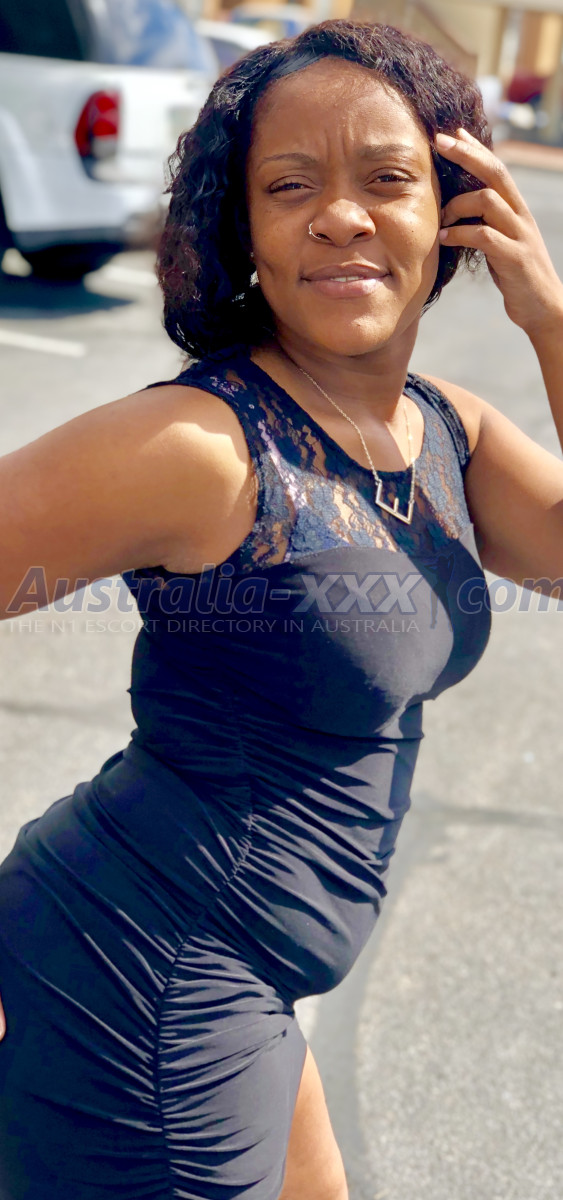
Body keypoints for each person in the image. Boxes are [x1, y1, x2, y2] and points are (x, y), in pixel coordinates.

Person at [1, 17, 563, 1200]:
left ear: (457, 208)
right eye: (290, 185)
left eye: (387, 179)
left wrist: (548, 321)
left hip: (247, 984)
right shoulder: (204, 447)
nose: (340, 215)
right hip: (138, 985)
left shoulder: (442, 430)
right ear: (242, 229)